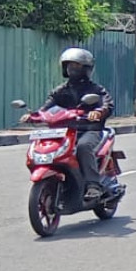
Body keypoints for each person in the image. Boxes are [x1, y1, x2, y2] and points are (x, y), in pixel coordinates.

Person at [28, 47, 114, 203]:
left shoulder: (95, 89)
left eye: (77, 66)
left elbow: (106, 104)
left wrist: (99, 112)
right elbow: (46, 107)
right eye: (69, 65)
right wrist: (33, 115)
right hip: (64, 131)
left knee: (83, 147)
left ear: (86, 69)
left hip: (89, 130)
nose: (72, 69)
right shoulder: (60, 91)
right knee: (48, 148)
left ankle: (93, 185)